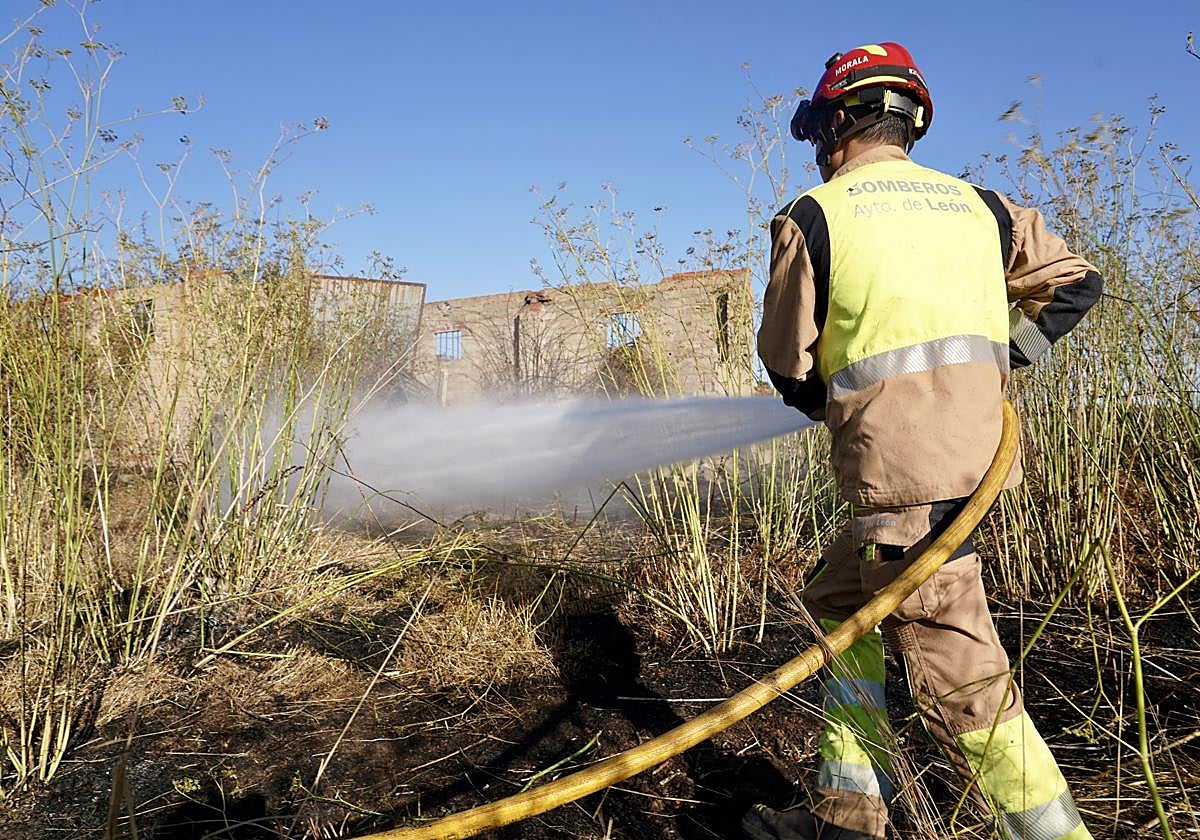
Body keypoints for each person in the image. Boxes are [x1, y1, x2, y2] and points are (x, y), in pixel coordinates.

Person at [743, 42, 1102, 840]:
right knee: (839, 606)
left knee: (961, 682)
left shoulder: (815, 213)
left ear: (837, 122)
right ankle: (847, 817)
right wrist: (1013, 357)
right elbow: (1079, 284)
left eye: (822, 134)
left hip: (902, 488)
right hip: (974, 471)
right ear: (910, 120)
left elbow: (786, 361)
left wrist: (831, 407)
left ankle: (1053, 834)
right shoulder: (983, 206)